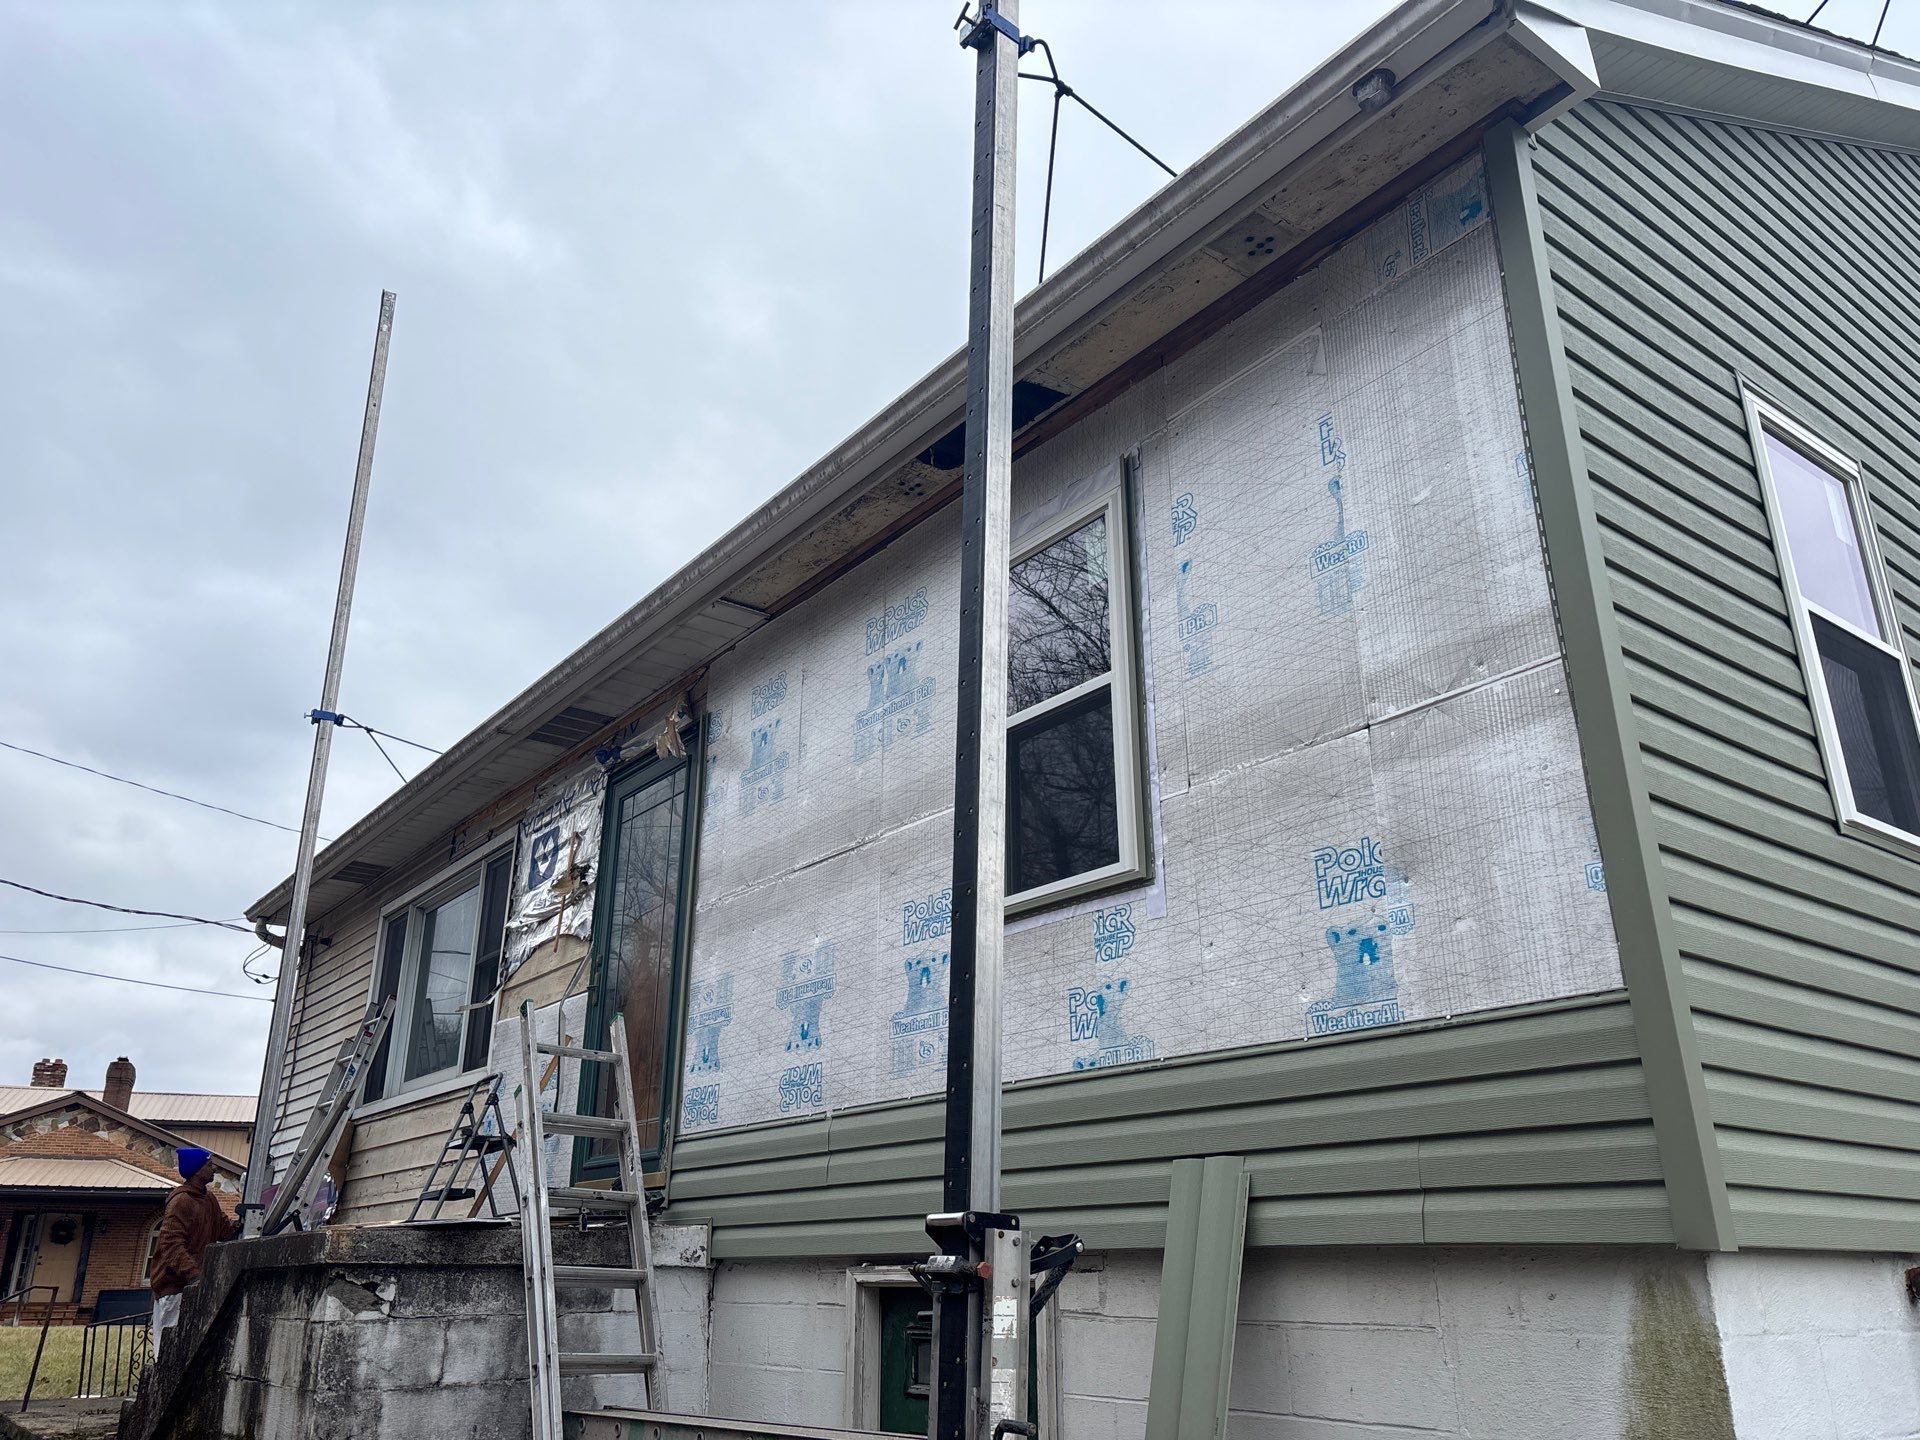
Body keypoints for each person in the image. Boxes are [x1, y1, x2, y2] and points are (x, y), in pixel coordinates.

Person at [148, 1146, 237, 1349]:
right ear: (197, 1170)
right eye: (209, 1165)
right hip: (175, 1290)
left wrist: (239, 1226)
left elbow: (224, 1230)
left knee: (190, 1348)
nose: (213, 1169)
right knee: (170, 1350)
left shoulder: (208, 1199)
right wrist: (194, 1275)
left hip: (194, 1287)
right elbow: (170, 1245)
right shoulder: (181, 1201)